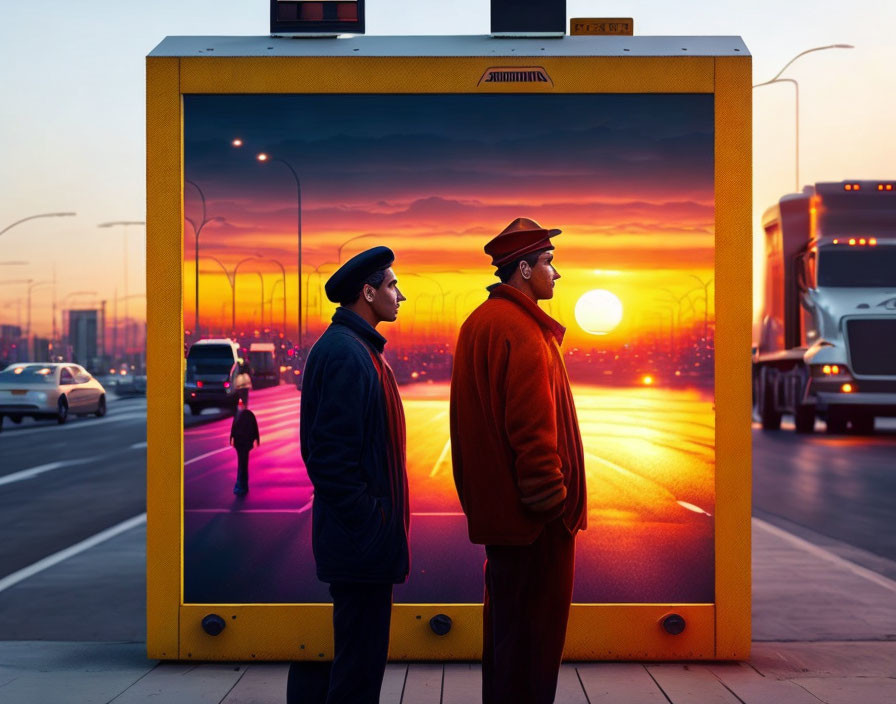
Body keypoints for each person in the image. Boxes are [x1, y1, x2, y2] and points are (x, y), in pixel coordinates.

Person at [450, 218, 587, 704]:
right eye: (549, 263)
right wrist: (553, 507)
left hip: (501, 521)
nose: (557, 273)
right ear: (524, 269)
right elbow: (532, 434)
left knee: (505, 639)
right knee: (537, 644)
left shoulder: (476, 325)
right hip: (537, 526)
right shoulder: (524, 331)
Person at [288, 246, 409, 704]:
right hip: (361, 548)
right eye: (393, 285)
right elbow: (330, 461)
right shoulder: (346, 354)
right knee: (358, 674)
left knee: (358, 665)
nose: (400, 295)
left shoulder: (357, 349)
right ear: (368, 291)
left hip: (362, 547)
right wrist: (372, 526)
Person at [229, 396, 260, 496]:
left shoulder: (241, 415)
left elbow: (234, 429)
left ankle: (241, 485)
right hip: (243, 443)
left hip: (242, 442)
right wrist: (256, 440)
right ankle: (242, 485)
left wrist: (232, 439)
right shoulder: (246, 414)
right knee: (243, 464)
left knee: (242, 465)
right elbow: (254, 428)